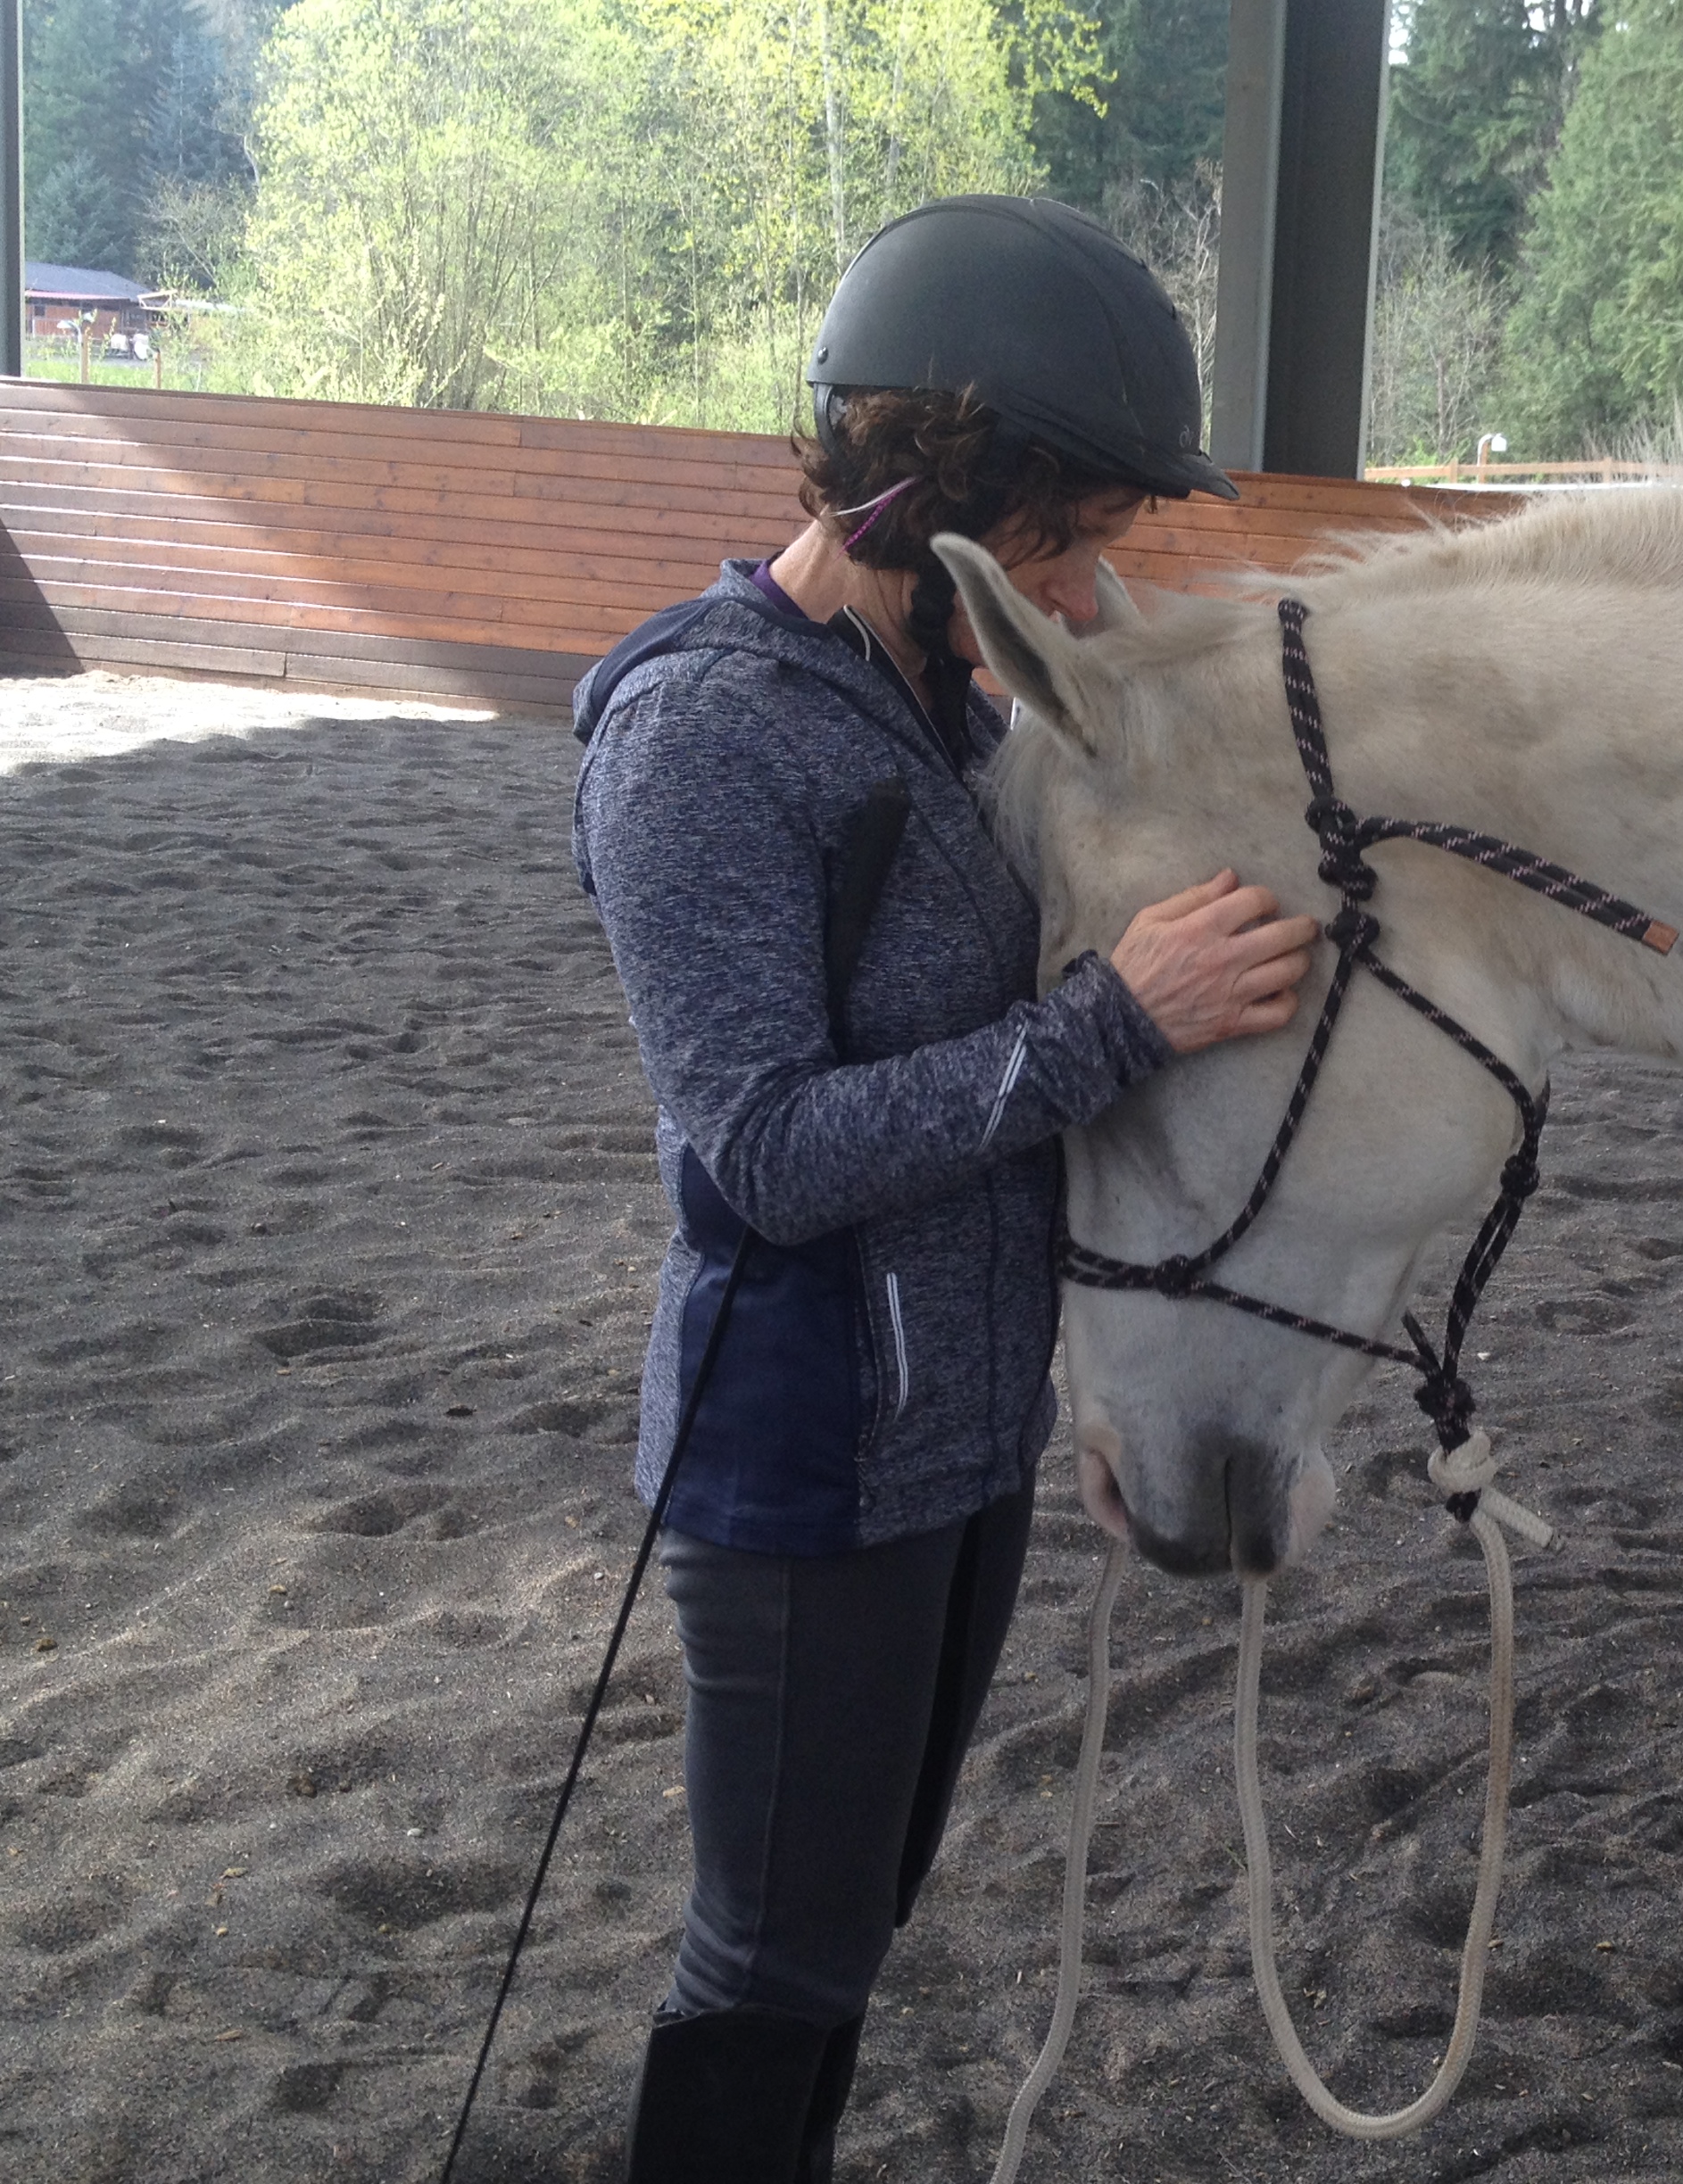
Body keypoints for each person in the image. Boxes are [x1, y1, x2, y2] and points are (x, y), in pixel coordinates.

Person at [568, 195, 1316, 2182]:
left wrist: (1062, 1393)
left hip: (954, 1439)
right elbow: (768, 1152)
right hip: (803, 1455)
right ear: (940, 493)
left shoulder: (945, 704)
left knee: (850, 1938)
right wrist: (1117, 1024)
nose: (1085, 596)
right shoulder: (703, 737)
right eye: (1070, 538)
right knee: (772, 1952)